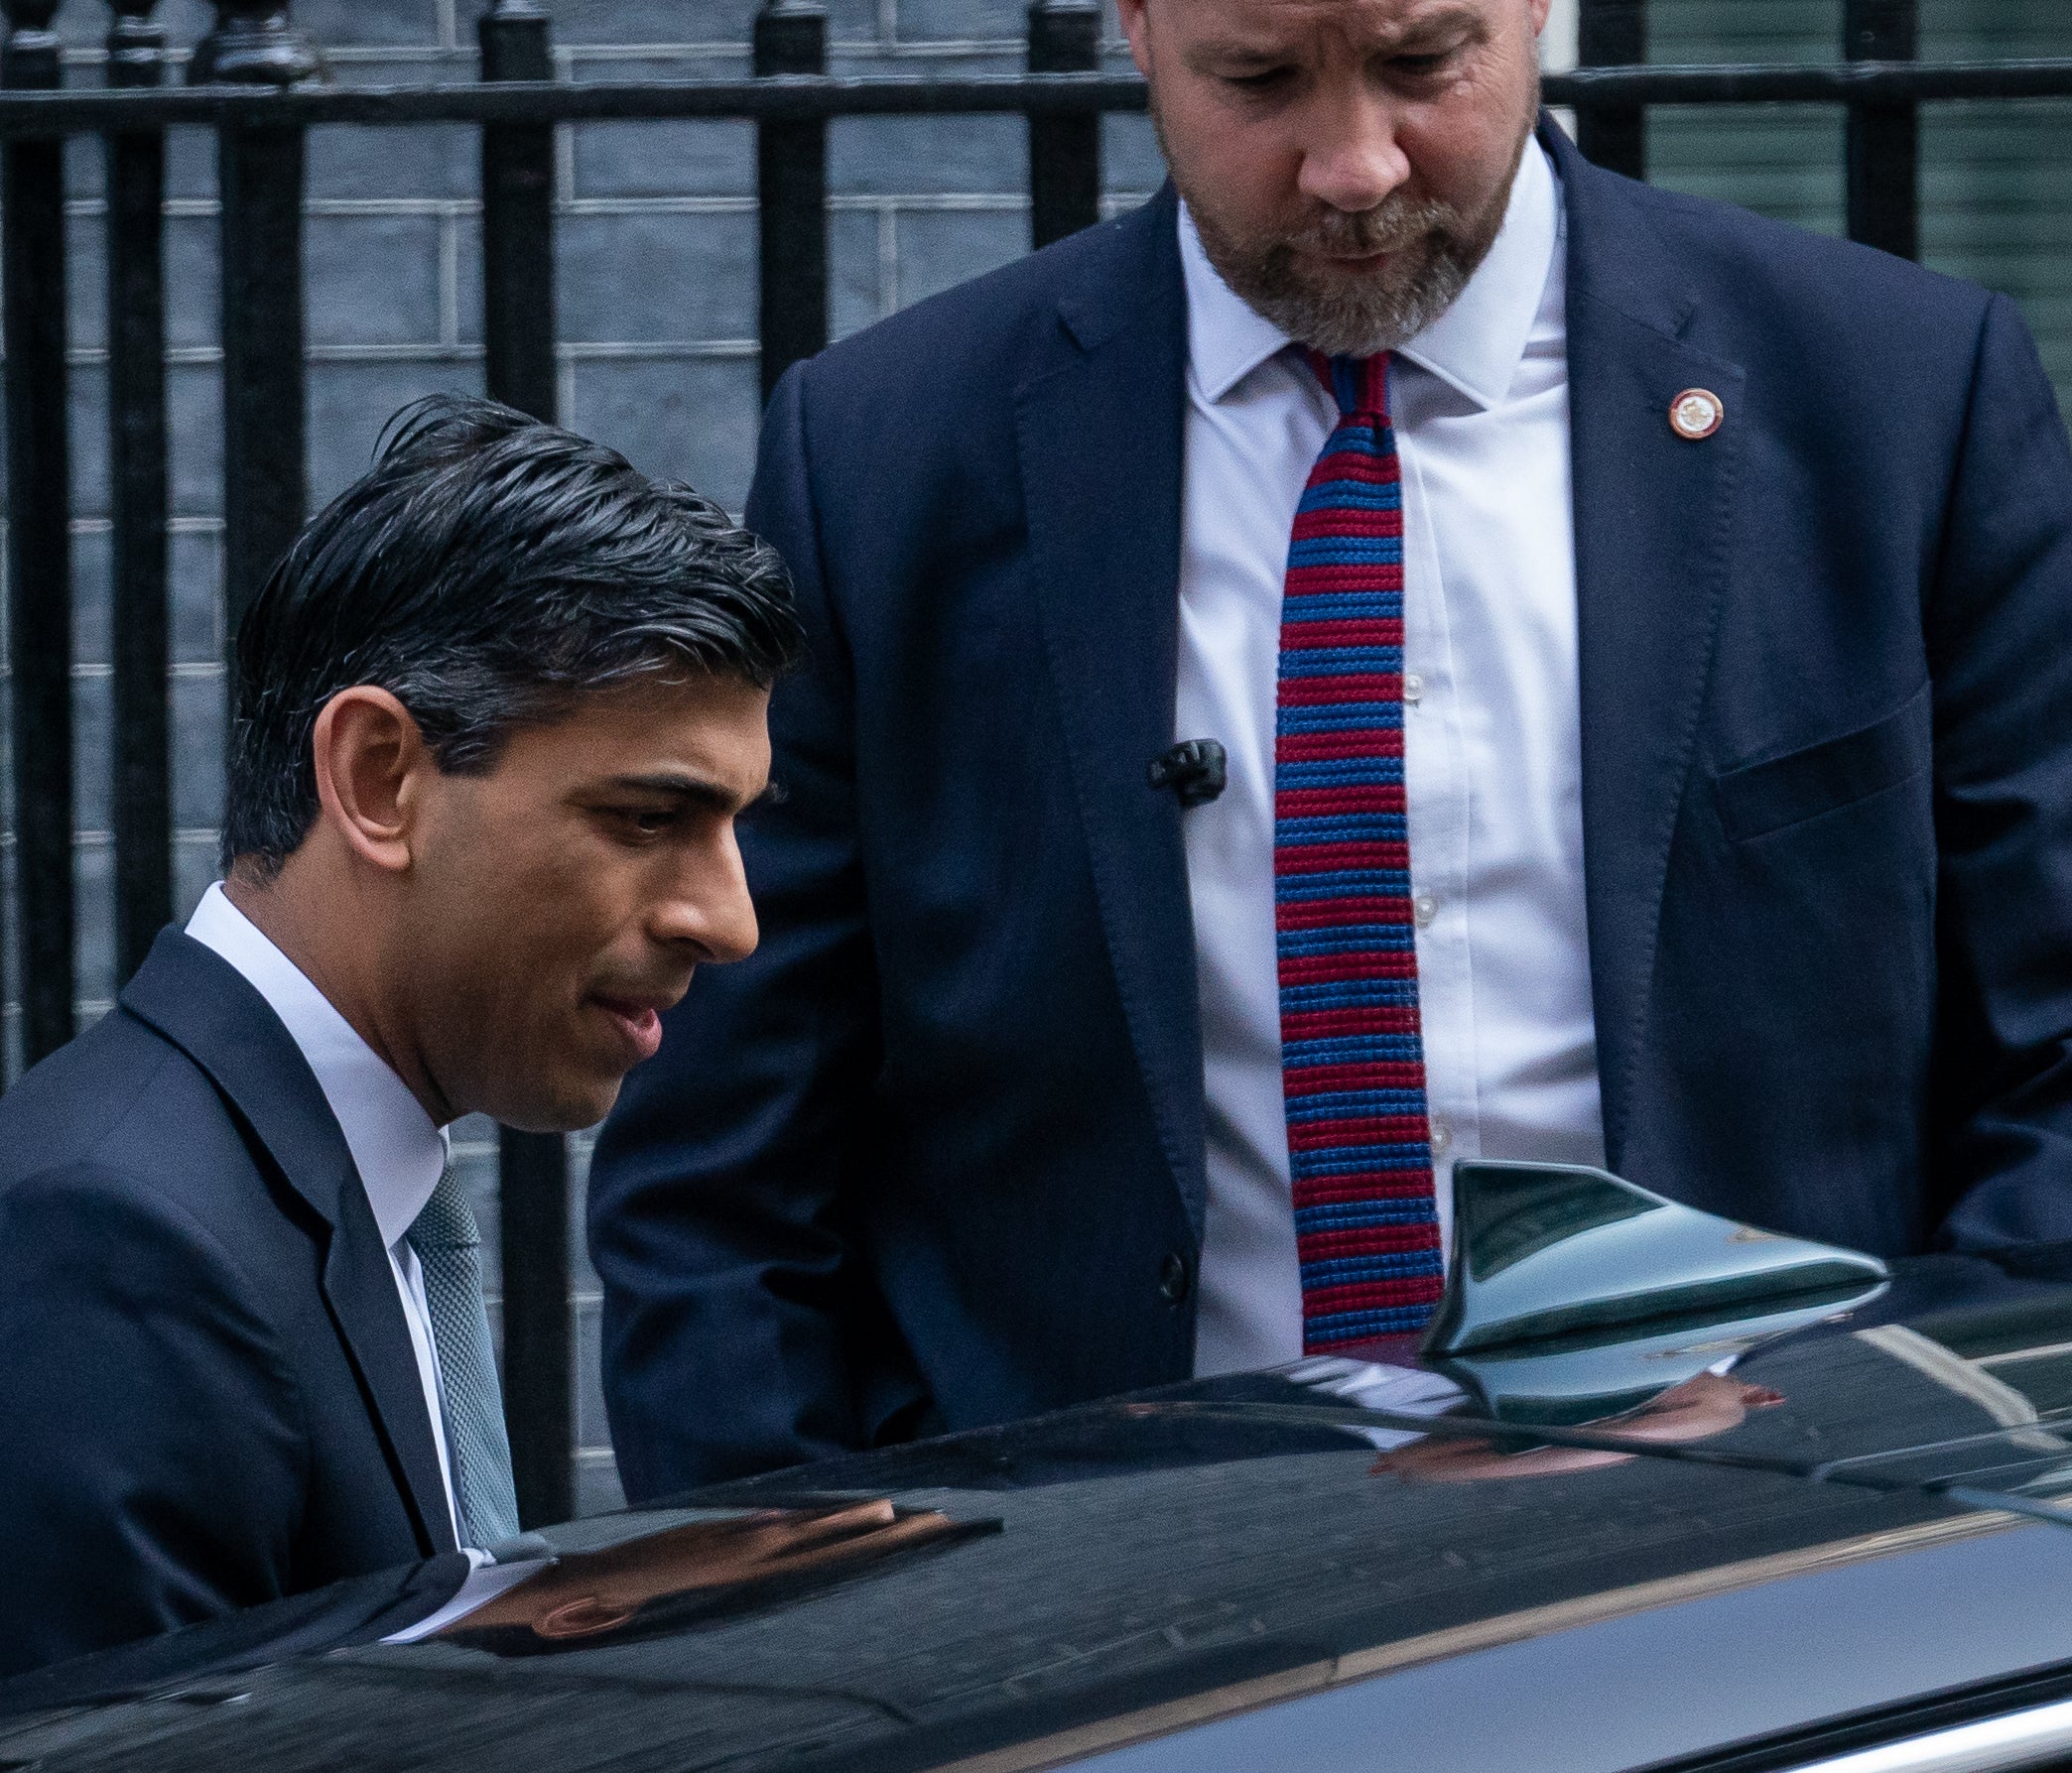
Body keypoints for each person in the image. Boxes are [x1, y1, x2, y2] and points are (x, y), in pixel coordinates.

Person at [588, 0, 2072, 1500]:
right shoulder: (888, 451)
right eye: (1261, 80)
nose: (1353, 166)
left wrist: (1867, 1433)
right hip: (1103, 1623)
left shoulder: (1895, 398)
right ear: (1136, 26)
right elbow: (728, 1172)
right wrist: (813, 1610)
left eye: (1426, 65)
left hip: (1776, 1587)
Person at [0, 395, 801, 1720]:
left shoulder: (282, 1191)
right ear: (380, 776)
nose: (728, 920)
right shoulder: (100, 1263)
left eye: (739, 826)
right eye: (648, 817)